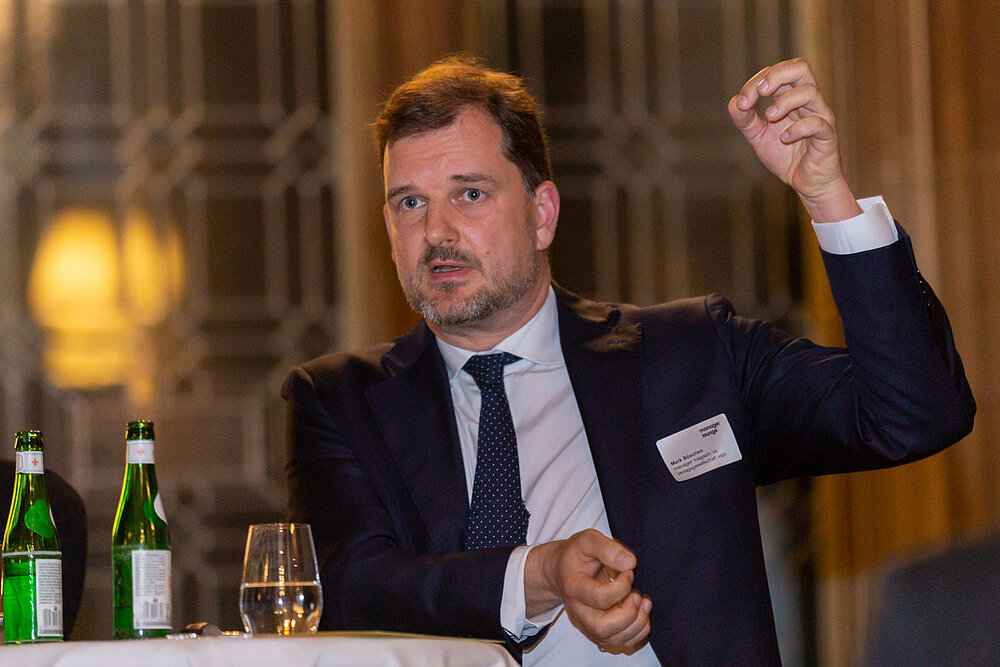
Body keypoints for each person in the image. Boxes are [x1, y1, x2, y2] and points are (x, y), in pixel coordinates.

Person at [283, 55, 975, 664]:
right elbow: (346, 590)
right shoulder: (338, 399)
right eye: (409, 202)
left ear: (542, 213)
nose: (436, 231)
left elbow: (914, 413)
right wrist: (541, 574)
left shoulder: (688, 356)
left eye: (470, 193)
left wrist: (826, 195)